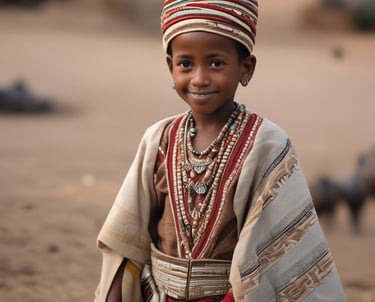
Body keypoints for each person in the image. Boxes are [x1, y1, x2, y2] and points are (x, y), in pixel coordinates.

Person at [95, 1, 346, 301]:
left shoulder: (266, 144)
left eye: (215, 63)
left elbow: (274, 255)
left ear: (246, 68)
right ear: (170, 66)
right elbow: (126, 241)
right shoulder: (158, 140)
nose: (199, 78)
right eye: (186, 64)